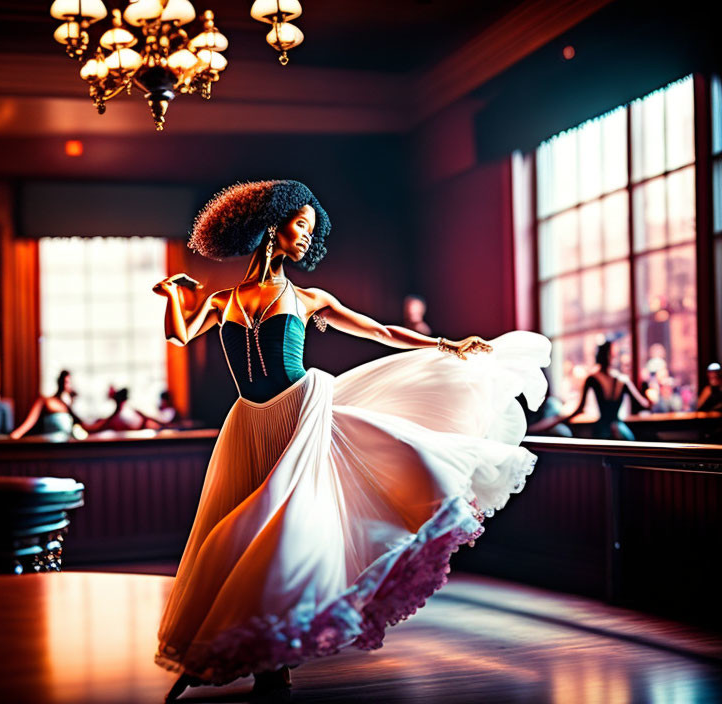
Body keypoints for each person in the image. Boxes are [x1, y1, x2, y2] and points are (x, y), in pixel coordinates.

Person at [151, 179, 552, 699]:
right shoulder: (223, 299)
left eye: (310, 231)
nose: (305, 238)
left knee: (281, 525)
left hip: (302, 411)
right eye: (300, 225)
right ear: (273, 225)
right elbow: (179, 334)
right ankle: (236, 649)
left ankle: (272, 662)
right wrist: (172, 296)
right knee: (238, 527)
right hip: (248, 422)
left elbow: (380, 331)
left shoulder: (308, 298)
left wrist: (445, 345)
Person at [551, 334, 651, 440]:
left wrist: (559, 420)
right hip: (620, 430)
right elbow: (644, 404)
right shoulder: (622, 380)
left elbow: (580, 408)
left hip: (603, 431)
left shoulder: (593, 378)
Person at [10, 370, 84, 438]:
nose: (66, 385)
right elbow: (29, 422)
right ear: (59, 382)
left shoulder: (67, 407)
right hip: (49, 445)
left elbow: (83, 426)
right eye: (65, 382)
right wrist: (16, 435)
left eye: (69, 383)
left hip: (66, 446)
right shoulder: (46, 401)